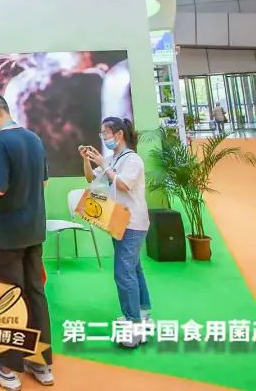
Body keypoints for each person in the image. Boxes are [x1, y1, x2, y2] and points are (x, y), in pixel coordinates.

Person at [0, 94, 54, 389]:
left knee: (8, 298)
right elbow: (44, 181)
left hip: (7, 234)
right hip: (33, 229)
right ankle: (41, 363)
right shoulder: (34, 138)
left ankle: (6, 368)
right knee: (35, 294)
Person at [82, 117, 152, 348]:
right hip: (119, 220)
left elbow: (123, 184)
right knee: (134, 269)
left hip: (132, 222)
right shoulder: (114, 159)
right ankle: (141, 313)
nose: (103, 138)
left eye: (105, 133)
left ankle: (133, 324)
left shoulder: (132, 159)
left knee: (124, 273)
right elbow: (91, 178)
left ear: (119, 134)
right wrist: (87, 160)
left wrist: (104, 164)